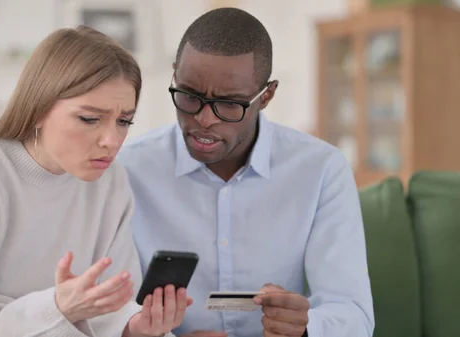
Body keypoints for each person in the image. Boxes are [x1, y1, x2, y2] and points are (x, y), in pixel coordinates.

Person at [0, 26, 190, 337]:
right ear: (39, 110)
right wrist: (57, 308)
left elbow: (109, 311)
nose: (112, 141)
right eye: (89, 119)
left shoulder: (110, 183)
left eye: (124, 121)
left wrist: (134, 328)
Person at [117, 7, 375, 337]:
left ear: (266, 96)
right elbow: (109, 316)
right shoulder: (127, 171)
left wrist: (307, 328)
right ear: (175, 76)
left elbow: (353, 313)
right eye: (189, 96)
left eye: (229, 103)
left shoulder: (322, 169)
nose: (204, 120)